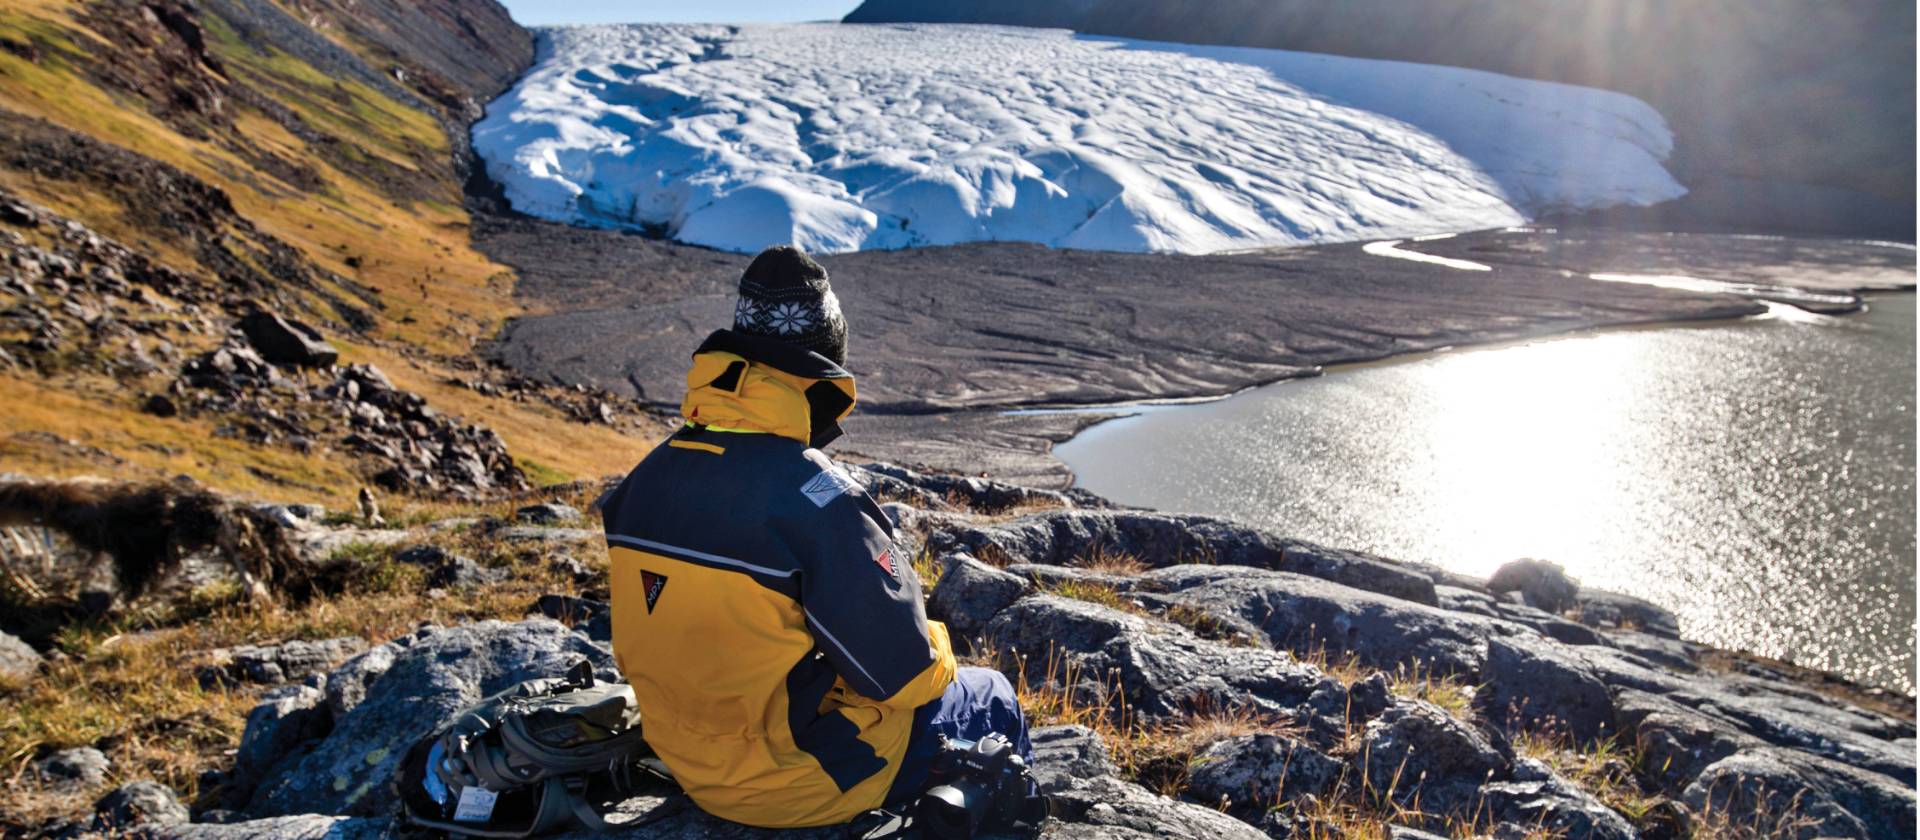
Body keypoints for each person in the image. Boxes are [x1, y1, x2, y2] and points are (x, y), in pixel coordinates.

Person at [599, 245, 1033, 829]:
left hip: (687, 762)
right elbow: (905, 676)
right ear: (826, 360)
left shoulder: (648, 476)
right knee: (993, 694)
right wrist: (936, 639)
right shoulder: (816, 500)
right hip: (796, 782)